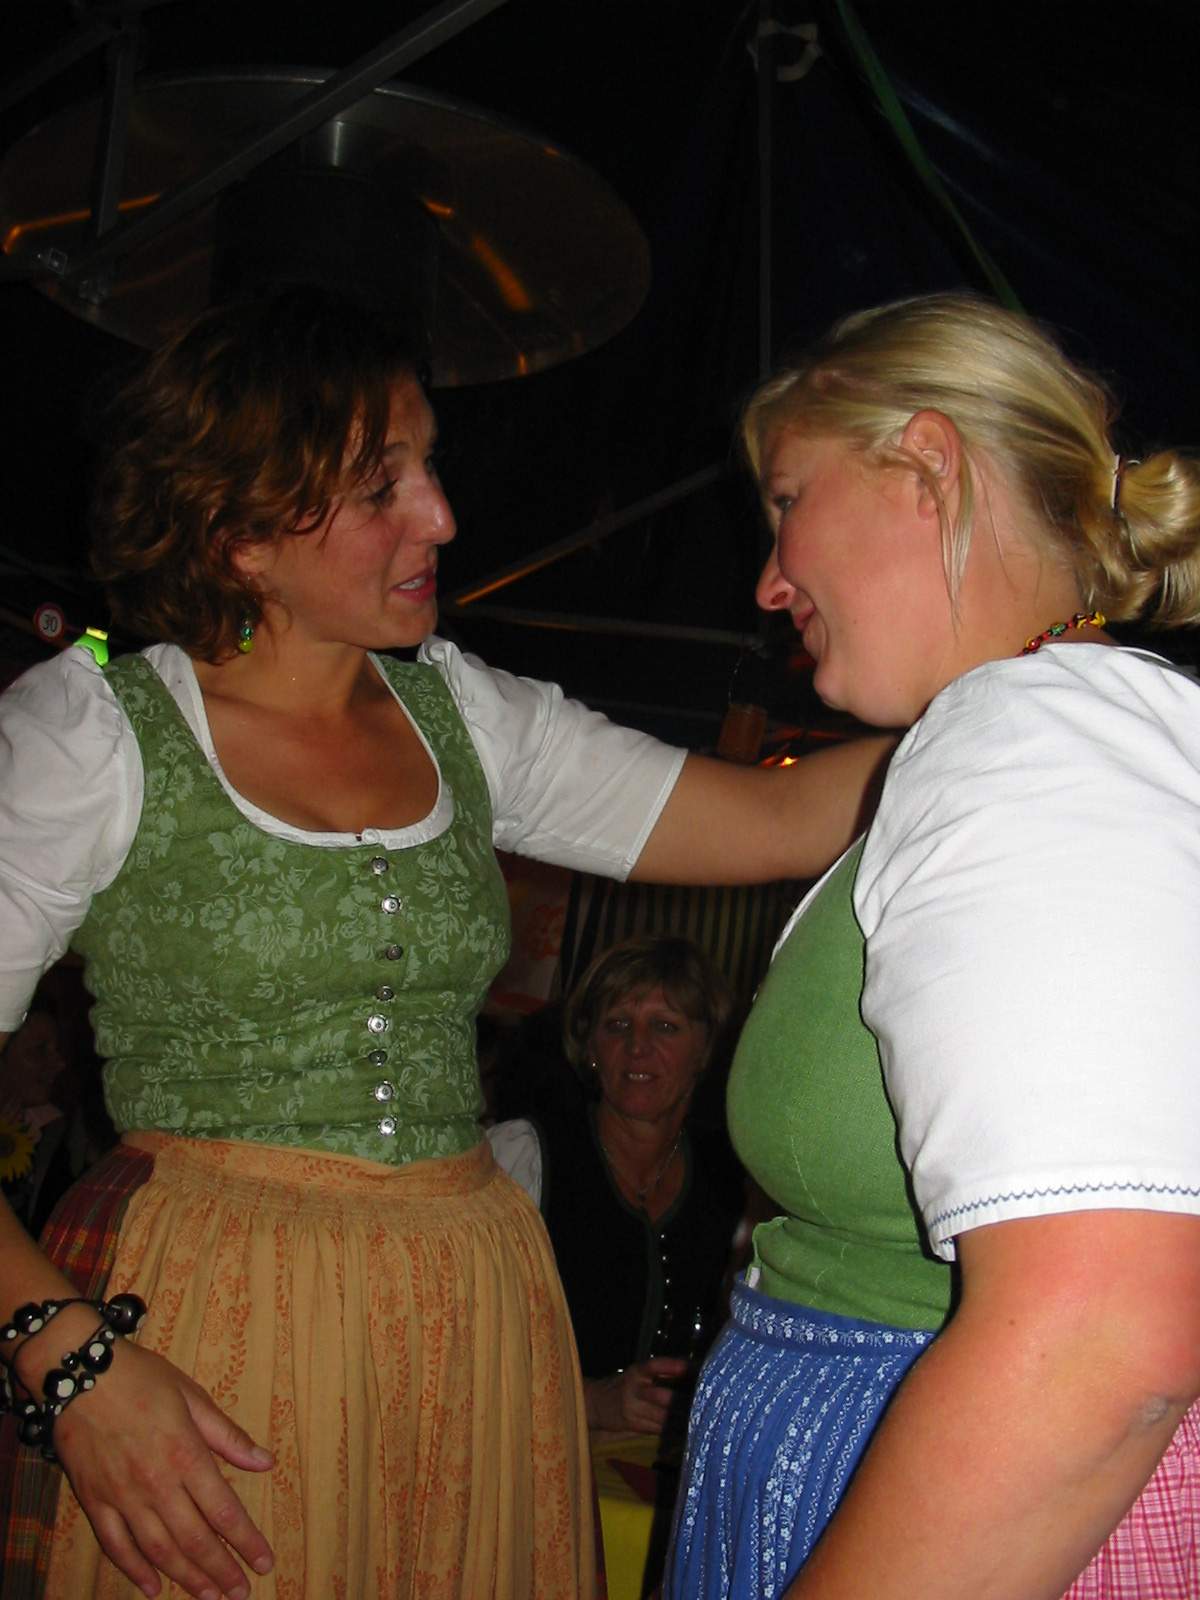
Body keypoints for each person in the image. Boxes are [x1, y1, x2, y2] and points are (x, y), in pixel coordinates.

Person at [0, 283, 895, 1600]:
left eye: (428, 466)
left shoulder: (466, 718)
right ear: (240, 532)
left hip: (466, 1300)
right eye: (382, 487)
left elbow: (777, 815)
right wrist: (69, 1361)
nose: (441, 516)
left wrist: (1024, 684)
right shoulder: (86, 738)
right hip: (203, 1309)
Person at [663, 291, 1200, 1600]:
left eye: (789, 501)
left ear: (925, 464)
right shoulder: (1030, 737)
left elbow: (1103, 1337)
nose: (767, 581)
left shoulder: (1029, 736)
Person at [530, 936, 743, 1436]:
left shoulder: (734, 1179)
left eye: (665, 1026)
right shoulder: (528, 1157)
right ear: (590, 1048)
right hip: (541, 1451)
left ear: (704, 1049)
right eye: (617, 1025)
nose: (637, 1046)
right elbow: (465, 1343)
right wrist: (588, 1401)